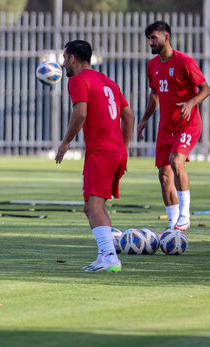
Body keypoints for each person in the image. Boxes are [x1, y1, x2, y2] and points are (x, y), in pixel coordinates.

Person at [56, 40, 135, 272]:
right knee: (92, 207)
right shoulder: (108, 81)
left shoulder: (79, 80)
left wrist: (66, 141)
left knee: (94, 207)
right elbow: (128, 116)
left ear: (72, 58)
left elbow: (80, 113)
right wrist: (123, 148)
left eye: (64, 58)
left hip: (101, 152)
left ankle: (111, 257)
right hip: (114, 151)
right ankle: (104, 255)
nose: (62, 64)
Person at [137, 21, 210, 232]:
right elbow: (154, 95)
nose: (150, 43)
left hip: (188, 124)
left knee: (176, 160)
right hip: (165, 127)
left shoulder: (185, 61)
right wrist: (144, 119)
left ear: (166, 37)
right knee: (164, 176)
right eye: (149, 39)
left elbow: (205, 89)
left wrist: (190, 103)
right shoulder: (152, 66)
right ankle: (172, 227)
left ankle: (185, 217)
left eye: (153, 38)